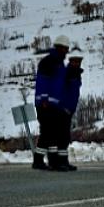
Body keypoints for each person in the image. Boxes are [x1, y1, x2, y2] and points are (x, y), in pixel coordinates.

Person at [34, 35, 69, 170]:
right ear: (59, 48)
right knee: (50, 133)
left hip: (54, 105)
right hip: (45, 104)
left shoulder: (60, 64)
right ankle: (53, 162)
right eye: (65, 49)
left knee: (49, 133)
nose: (66, 52)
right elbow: (43, 82)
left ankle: (39, 160)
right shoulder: (48, 62)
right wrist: (44, 100)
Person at [54, 55, 83, 172]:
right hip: (61, 109)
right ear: (71, 62)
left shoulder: (76, 74)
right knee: (61, 137)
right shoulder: (66, 74)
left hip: (69, 110)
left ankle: (63, 161)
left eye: (79, 61)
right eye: (75, 61)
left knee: (65, 137)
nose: (77, 63)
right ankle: (58, 162)